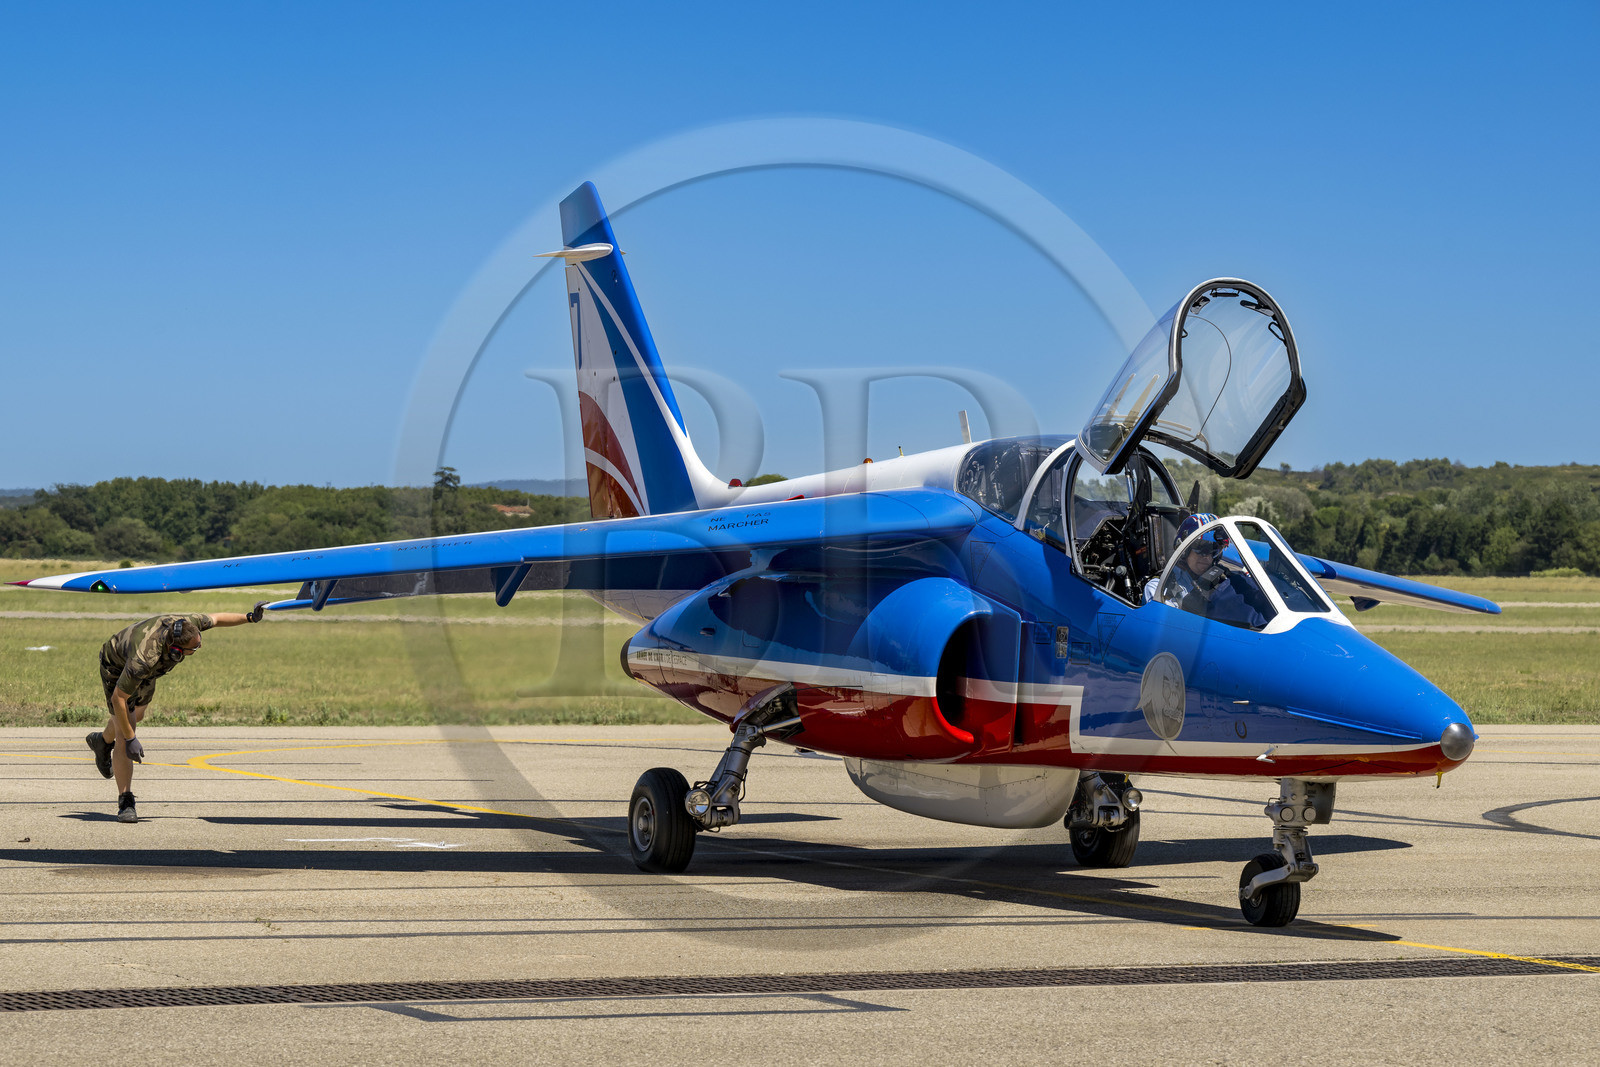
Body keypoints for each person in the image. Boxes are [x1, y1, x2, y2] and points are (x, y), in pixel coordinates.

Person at [86, 604, 266, 822]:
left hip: (146, 669)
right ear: (176, 651)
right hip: (116, 666)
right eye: (194, 649)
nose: (198, 648)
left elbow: (217, 619)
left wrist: (249, 617)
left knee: (137, 715)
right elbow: (119, 699)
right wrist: (131, 738)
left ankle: (102, 741)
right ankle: (125, 801)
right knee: (127, 727)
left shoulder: (186, 626)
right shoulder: (143, 660)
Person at [1145, 514, 1273, 629]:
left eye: (1214, 550)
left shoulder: (1226, 578)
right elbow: (1164, 629)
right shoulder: (1159, 588)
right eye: (1201, 548)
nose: (1207, 556)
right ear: (1184, 549)